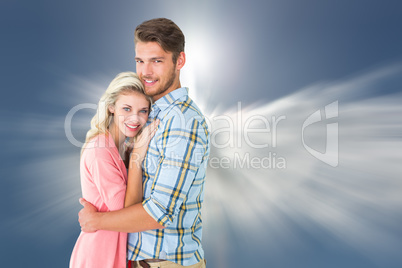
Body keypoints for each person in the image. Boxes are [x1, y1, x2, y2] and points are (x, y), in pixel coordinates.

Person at [78, 18, 210, 268]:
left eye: (157, 61)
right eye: (140, 61)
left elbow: (160, 212)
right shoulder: (151, 115)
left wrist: (96, 221)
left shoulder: (181, 122)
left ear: (179, 61)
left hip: (164, 264)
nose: (146, 72)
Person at [70, 72, 159, 268]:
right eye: (126, 108)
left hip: (115, 254)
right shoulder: (100, 149)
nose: (135, 118)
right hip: (98, 257)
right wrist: (137, 157)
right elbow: (125, 212)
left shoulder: (120, 148)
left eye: (143, 111)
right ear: (111, 107)